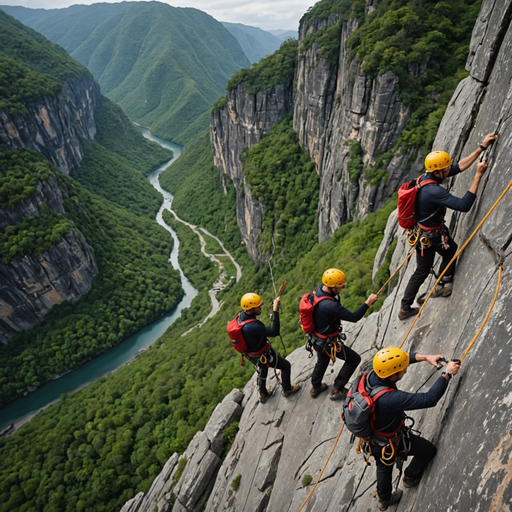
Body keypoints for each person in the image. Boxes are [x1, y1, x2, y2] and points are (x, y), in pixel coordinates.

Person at [399, 133, 497, 320]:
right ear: (437, 172)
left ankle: (443, 280)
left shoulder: (425, 178)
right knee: (422, 270)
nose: (447, 171)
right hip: (429, 237)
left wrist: (481, 148)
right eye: (444, 169)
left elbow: (458, 167)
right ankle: (405, 308)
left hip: (427, 234)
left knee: (450, 249)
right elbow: (463, 206)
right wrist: (478, 175)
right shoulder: (434, 190)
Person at [370, 347, 461, 510]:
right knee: (428, 450)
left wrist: (426, 357)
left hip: (374, 439)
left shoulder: (371, 370)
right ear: (392, 375)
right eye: (402, 370)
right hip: (390, 441)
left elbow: (399, 360)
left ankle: (384, 499)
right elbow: (429, 399)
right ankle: (409, 477)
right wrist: (447, 374)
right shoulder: (389, 398)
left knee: (384, 465)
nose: (405, 370)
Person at [310, 269, 378, 400]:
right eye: (340, 284)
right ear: (332, 286)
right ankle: (337, 389)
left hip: (318, 339)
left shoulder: (319, 290)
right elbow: (354, 317)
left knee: (322, 361)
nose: (343, 286)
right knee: (354, 359)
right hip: (327, 342)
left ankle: (316, 386)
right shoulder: (330, 305)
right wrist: (368, 303)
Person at [239, 293, 300, 403]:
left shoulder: (242, 316)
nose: (260, 308)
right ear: (251, 309)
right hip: (263, 353)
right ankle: (287, 389)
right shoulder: (251, 327)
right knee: (285, 366)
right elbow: (274, 332)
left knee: (262, 370)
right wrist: (275, 311)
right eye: (258, 306)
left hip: (252, 354)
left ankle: (263, 394)